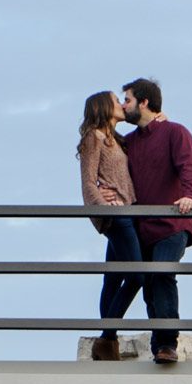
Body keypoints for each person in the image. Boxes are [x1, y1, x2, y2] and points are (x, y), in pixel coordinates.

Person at [119, 78, 192, 368]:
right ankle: (143, 341)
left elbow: (187, 166)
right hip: (140, 228)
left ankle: (167, 344)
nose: (122, 105)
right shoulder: (126, 142)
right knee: (147, 283)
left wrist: (191, 195)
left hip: (172, 223)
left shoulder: (175, 132)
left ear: (144, 102)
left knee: (162, 274)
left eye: (126, 99)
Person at [77, 90, 141, 362]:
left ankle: (108, 344)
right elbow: (89, 182)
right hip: (116, 216)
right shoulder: (94, 137)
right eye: (117, 100)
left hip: (128, 211)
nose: (121, 105)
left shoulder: (118, 139)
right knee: (138, 275)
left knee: (113, 279)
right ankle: (107, 338)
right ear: (104, 107)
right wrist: (101, 207)